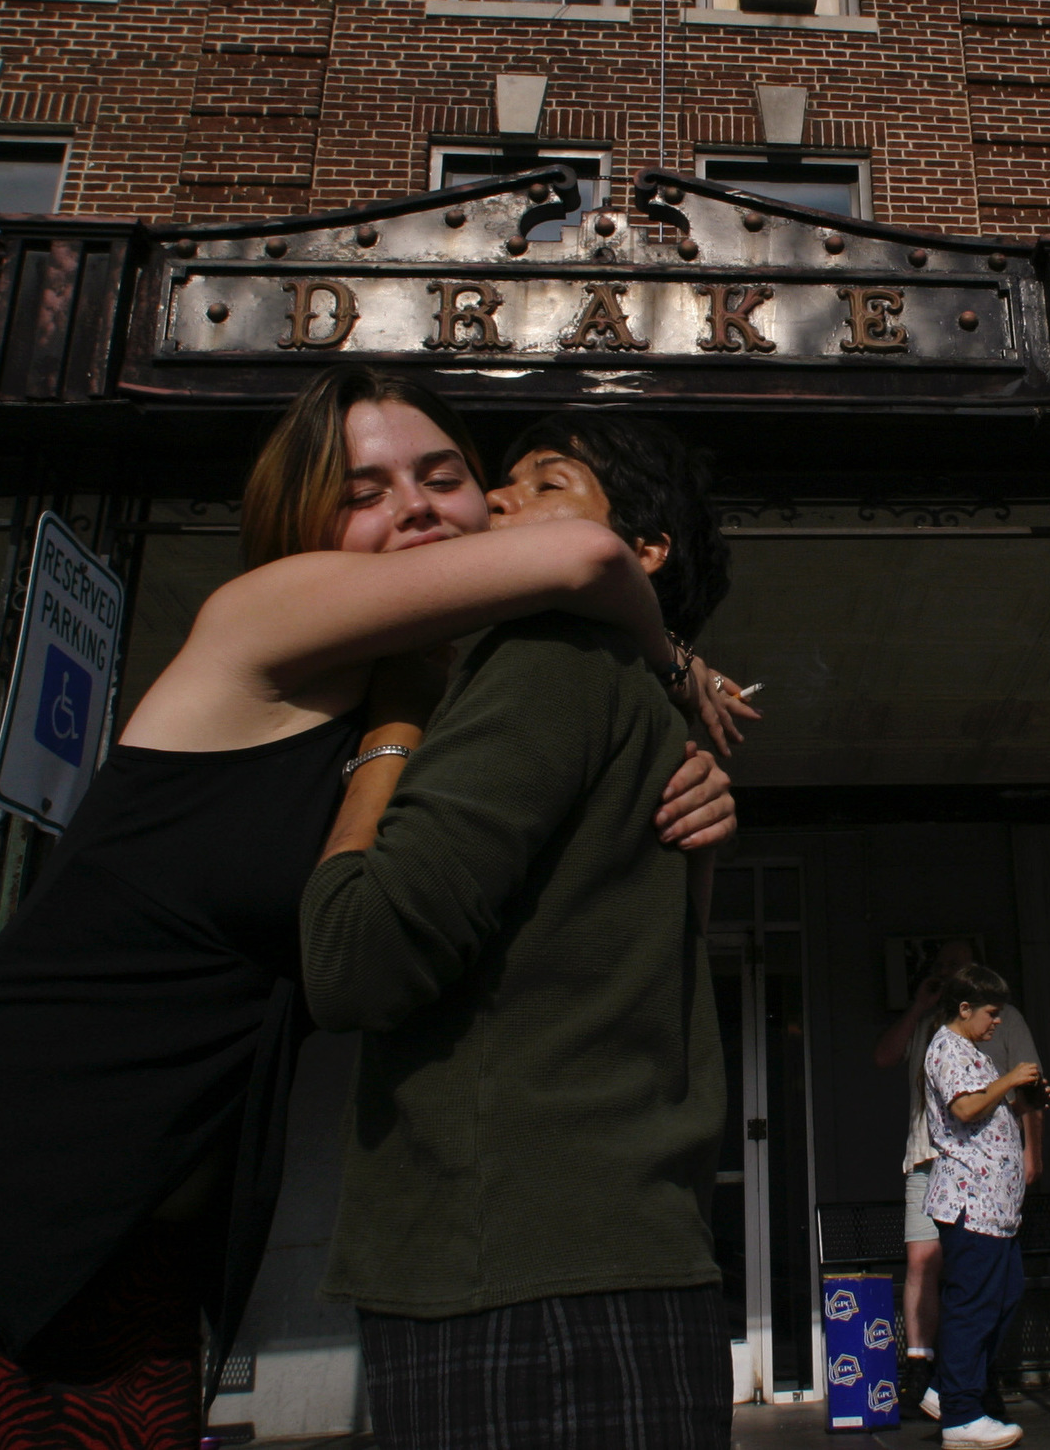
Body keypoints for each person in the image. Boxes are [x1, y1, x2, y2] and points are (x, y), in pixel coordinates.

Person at [0, 368, 743, 1450]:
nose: (413, 505)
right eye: (362, 490)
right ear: (303, 525)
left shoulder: (434, 708)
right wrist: (674, 660)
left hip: (132, 1265)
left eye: (443, 475)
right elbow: (591, 552)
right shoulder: (258, 625)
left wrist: (683, 793)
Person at [300, 411, 749, 1450]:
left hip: (514, 1279)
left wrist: (389, 731)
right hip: (618, 1262)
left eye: (545, 483)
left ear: (641, 552)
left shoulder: (545, 654)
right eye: (498, 481)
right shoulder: (633, 693)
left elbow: (354, 956)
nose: (497, 500)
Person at [869, 938, 1043, 1406]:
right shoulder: (938, 1034)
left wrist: (1032, 1150)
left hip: (987, 1176)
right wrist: (918, 1008)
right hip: (939, 1165)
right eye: (942, 966)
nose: (949, 972)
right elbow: (888, 1059)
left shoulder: (997, 1023)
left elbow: (1026, 1085)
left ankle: (967, 1378)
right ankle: (932, 1376)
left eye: (958, 965)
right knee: (931, 1267)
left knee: (994, 1286)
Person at [919, 962, 1049, 1450]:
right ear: (965, 1007)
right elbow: (966, 1108)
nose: (998, 1023)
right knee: (972, 1306)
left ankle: (946, 1386)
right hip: (970, 1202)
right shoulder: (947, 1048)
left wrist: (1026, 1095)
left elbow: (989, 1105)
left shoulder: (973, 1051)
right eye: (992, 1014)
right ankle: (962, 1414)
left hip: (996, 1206)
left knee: (1005, 1295)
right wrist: (1011, 1078)